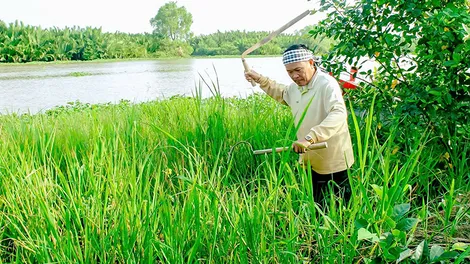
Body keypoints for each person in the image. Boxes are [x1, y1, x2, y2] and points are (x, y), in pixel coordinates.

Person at [244, 44, 355, 203]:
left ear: (311, 63)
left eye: (298, 70)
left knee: (341, 206)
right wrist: (259, 79)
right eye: (290, 72)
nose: (295, 76)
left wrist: (310, 137)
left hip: (333, 157)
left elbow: (338, 113)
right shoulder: (296, 88)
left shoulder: (326, 84)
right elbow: (282, 93)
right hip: (311, 157)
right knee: (317, 204)